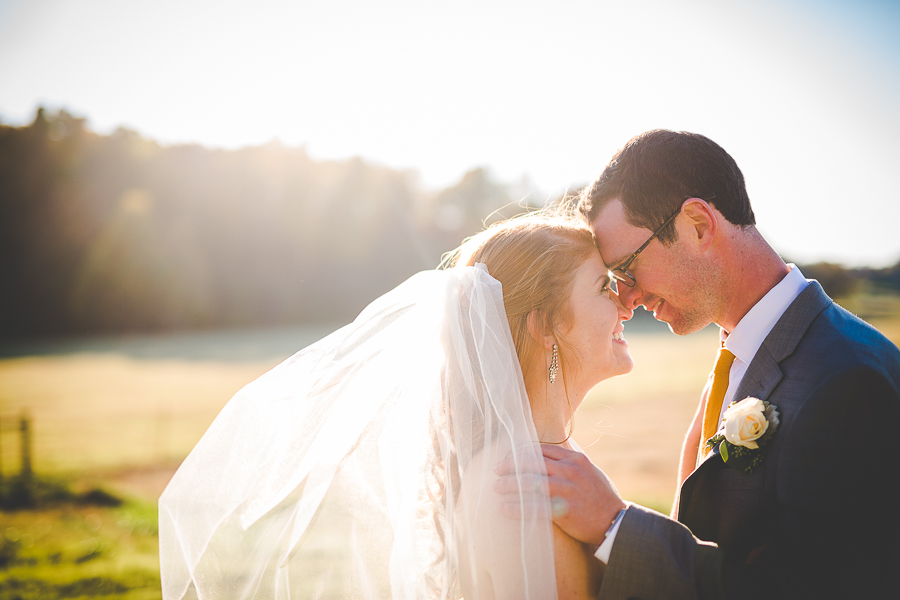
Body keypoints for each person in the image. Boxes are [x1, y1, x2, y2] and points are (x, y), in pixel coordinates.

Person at [495, 130, 900, 599]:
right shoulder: (744, 354)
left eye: (627, 267)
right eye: (611, 280)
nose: (627, 298)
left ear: (698, 225)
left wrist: (616, 525)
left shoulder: (845, 378)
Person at [158, 209, 633, 599]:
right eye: (603, 287)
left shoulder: (536, 468)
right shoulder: (523, 488)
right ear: (544, 326)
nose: (626, 305)